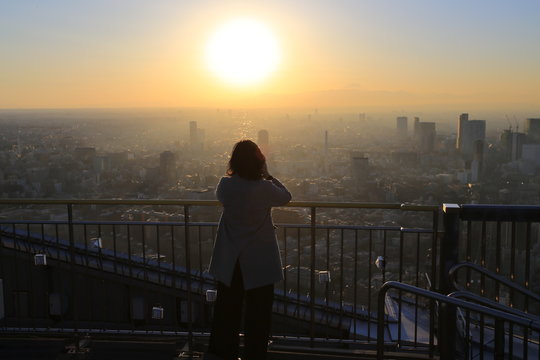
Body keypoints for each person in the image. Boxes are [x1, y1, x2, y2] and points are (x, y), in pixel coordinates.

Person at [205, 140, 292, 360]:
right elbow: (286, 197)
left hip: (231, 260)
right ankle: (255, 353)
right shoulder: (264, 188)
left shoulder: (225, 186)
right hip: (260, 260)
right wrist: (268, 174)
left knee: (228, 311)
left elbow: (224, 199)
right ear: (257, 162)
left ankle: (225, 353)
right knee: (259, 314)